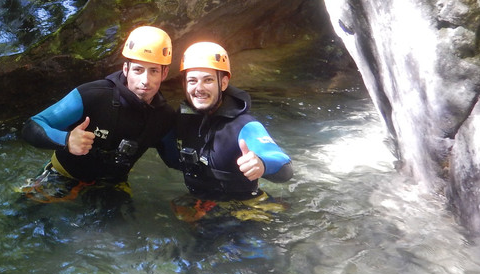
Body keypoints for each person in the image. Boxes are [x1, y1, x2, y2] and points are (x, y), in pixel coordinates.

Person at [19, 25, 178, 203]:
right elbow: (31, 126)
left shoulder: (164, 117)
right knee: (20, 217)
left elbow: (175, 160)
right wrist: (66, 139)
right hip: (63, 175)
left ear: (164, 73)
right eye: (138, 70)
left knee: (120, 228)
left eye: (154, 71)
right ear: (126, 69)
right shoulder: (93, 95)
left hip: (111, 185)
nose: (145, 80)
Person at [171, 41, 292, 222]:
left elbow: (285, 169)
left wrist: (262, 164)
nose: (199, 88)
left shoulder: (244, 125)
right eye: (192, 81)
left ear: (224, 82)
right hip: (201, 205)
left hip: (245, 211)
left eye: (208, 80)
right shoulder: (183, 119)